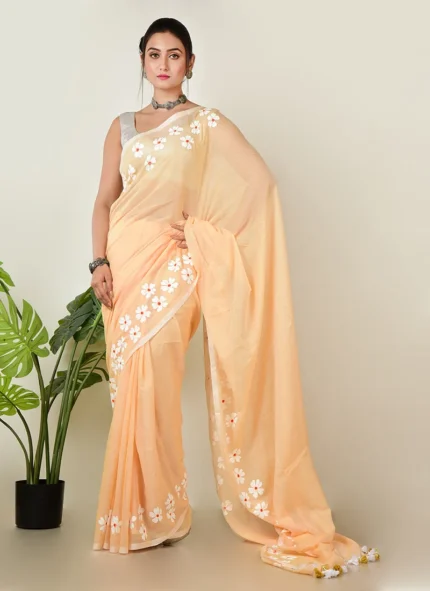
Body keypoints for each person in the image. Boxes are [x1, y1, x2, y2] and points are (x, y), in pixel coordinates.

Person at [90, 17, 380, 579]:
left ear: (190, 63)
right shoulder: (122, 127)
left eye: (175, 54)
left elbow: (260, 185)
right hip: (121, 269)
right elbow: (104, 200)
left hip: (172, 266)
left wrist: (201, 231)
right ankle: (137, 514)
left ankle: (162, 516)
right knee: (130, 391)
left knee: (157, 385)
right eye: (155, 54)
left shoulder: (206, 124)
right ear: (143, 61)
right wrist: (99, 261)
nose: (164, 64)